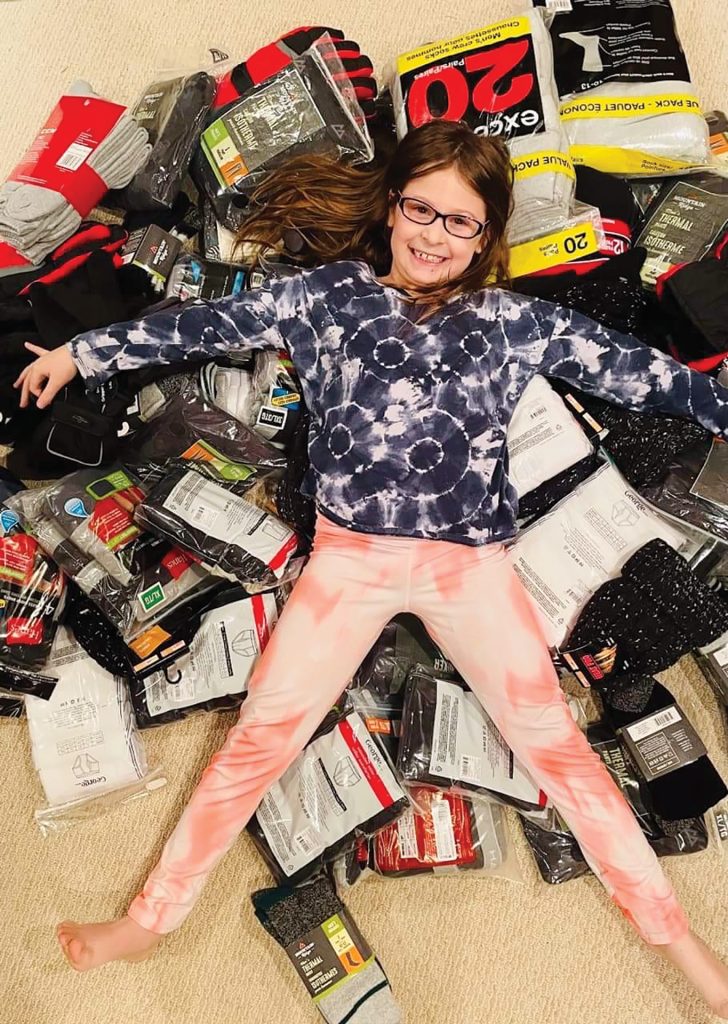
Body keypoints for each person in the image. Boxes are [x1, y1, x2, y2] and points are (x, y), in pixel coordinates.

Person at [16, 120, 728, 1016]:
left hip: (471, 570)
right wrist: (83, 352)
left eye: (459, 222)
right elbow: (207, 323)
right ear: (392, 207)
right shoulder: (327, 299)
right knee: (259, 738)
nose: (434, 235)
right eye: (420, 210)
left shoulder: (512, 319)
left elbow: (638, 372)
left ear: (488, 235)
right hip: (347, 563)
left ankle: (680, 940)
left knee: (559, 749)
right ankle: (153, 918)